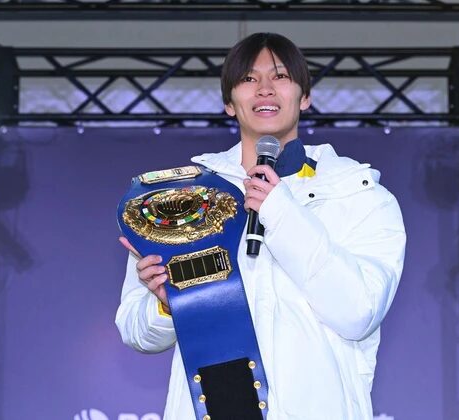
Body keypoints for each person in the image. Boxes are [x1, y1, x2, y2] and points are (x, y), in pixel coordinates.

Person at [116, 32, 406, 420]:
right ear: (229, 103)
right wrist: (168, 305)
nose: (265, 89)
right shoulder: (183, 201)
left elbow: (358, 313)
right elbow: (135, 330)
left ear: (305, 96)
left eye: (280, 76)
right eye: (248, 79)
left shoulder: (360, 195)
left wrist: (280, 211)